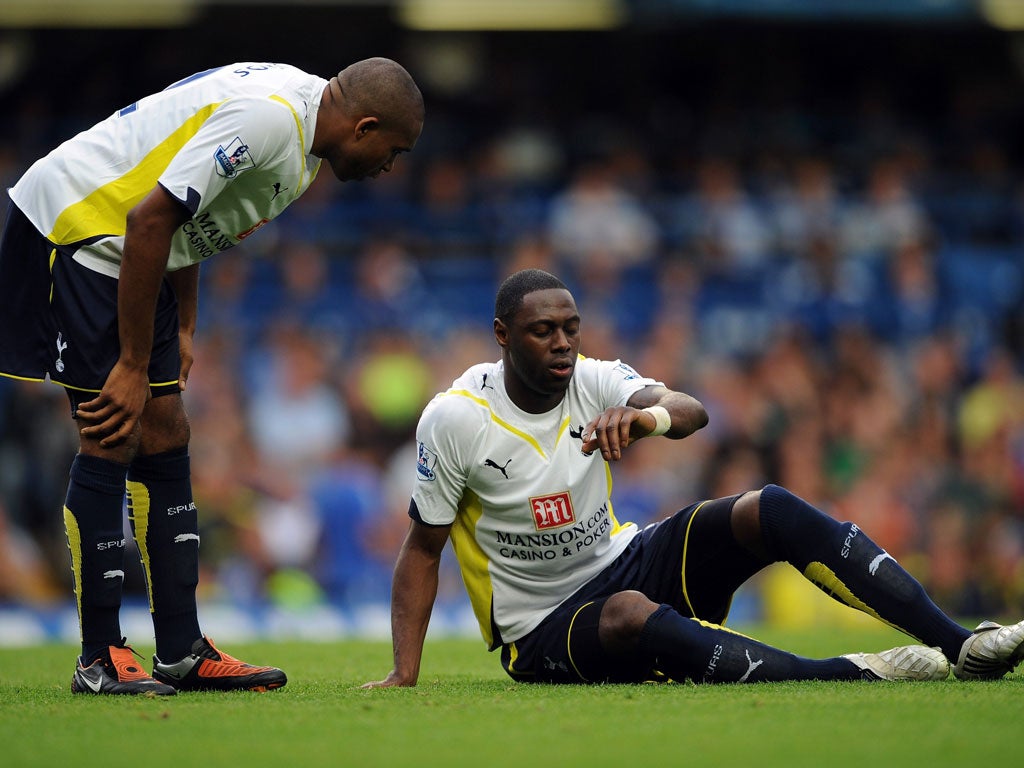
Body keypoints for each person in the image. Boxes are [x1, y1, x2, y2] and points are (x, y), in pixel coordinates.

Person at [364, 268, 1024, 688]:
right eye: (543, 332)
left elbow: (692, 410)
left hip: (628, 557)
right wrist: (404, 672)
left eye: (571, 328)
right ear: (503, 337)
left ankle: (962, 645)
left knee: (769, 507)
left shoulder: (593, 379)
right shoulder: (455, 420)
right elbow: (422, 549)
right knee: (627, 616)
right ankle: (856, 673)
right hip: (539, 628)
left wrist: (643, 419)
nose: (563, 343)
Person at [0, 58, 424, 695]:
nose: (389, 167)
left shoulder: (305, 138)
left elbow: (190, 224)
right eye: (393, 151)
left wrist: (186, 326)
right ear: (364, 126)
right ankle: (97, 656)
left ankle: (180, 649)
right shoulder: (270, 121)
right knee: (112, 430)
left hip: (131, 245)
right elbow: (151, 217)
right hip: (80, 230)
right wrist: (135, 365)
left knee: (167, 428)